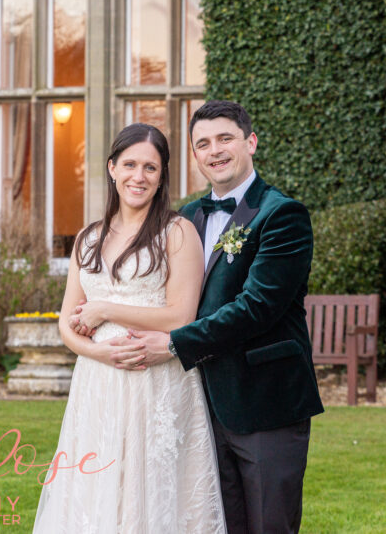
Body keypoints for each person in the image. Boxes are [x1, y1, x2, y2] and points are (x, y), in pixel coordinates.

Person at [76, 100, 324, 534]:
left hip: (264, 401)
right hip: (197, 403)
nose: (215, 151)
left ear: (250, 142)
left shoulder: (282, 215)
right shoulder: (184, 219)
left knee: (269, 525)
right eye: (203, 144)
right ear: (194, 155)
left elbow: (257, 308)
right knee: (212, 522)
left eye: (225, 138)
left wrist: (174, 342)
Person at [32, 123, 226, 533]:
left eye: (151, 168)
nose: (139, 176)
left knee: (153, 491)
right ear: (112, 168)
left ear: (162, 177)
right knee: (96, 491)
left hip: (154, 383)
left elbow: (181, 316)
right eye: (131, 165)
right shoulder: (87, 238)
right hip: (98, 385)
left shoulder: (177, 232)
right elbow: (67, 324)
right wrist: (96, 352)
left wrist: (103, 309)